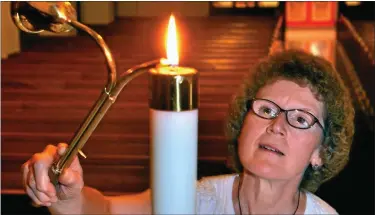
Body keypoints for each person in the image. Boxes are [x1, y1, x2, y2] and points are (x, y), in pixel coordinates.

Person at [21, 49, 355, 214]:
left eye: (299, 119)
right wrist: (66, 191)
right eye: (266, 109)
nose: (276, 126)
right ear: (244, 123)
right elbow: (104, 210)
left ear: (321, 153)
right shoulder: (196, 198)